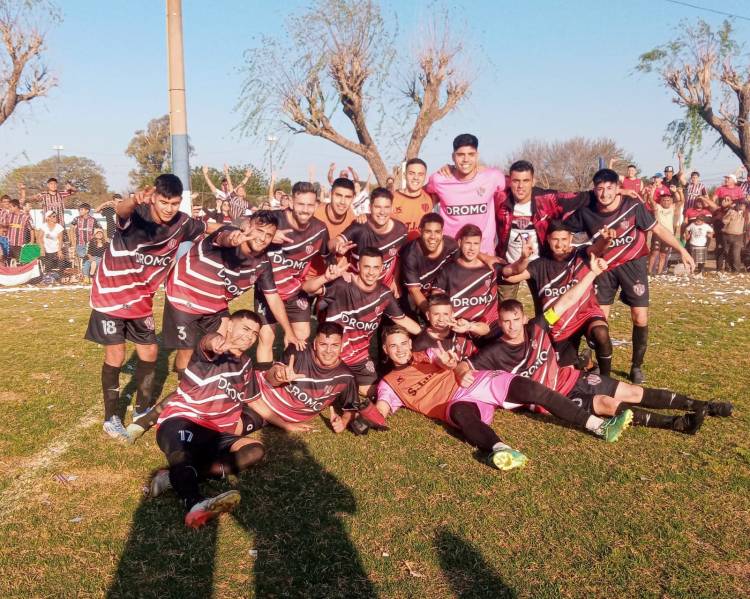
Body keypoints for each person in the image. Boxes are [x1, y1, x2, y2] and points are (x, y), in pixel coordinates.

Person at [375, 325, 633, 471]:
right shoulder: (388, 383)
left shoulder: (427, 354)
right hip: (455, 402)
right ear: (385, 350)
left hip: (477, 381)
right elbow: (381, 409)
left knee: (534, 391)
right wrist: (366, 416)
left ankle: (600, 426)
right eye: (393, 346)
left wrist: (449, 363)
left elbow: (446, 360)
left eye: (403, 343)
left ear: (410, 344)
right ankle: (501, 450)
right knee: (462, 415)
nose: (400, 350)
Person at [457, 297, 729, 435]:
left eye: (515, 319)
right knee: (607, 404)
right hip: (555, 398)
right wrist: (461, 372)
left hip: (573, 377)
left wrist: (590, 273)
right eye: (506, 321)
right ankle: (678, 424)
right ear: (499, 323)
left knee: (633, 391)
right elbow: (465, 365)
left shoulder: (536, 327)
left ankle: (703, 405)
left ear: (524, 317)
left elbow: (563, 303)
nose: (511, 326)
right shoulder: (494, 352)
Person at [85, 174, 209, 441]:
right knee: (116, 354)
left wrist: (236, 231)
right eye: (164, 202)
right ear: (153, 198)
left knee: (150, 352)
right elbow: (120, 210)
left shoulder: (182, 223)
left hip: (141, 299)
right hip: (111, 294)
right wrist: (133, 199)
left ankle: (141, 409)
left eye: (174, 203)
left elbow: (208, 227)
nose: (169, 208)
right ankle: (111, 417)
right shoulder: (137, 214)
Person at [566, 169, 695, 384]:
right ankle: (596, 362)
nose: (604, 194)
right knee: (599, 319)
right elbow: (563, 230)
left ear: (618, 188)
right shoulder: (586, 211)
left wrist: (682, 250)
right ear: (594, 190)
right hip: (603, 267)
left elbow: (658, 229)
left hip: (633, 265)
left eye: (609, 188)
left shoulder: (632, 206)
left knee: (640, 317)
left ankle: (636, 366)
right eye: (599, 189)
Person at [150, 310, 266, 528]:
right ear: (229, 325)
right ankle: (195, 504)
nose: (249, 336)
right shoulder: (211, 351)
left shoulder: (246, 364)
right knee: (181, 453)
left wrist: (287, 423)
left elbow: (254, 400)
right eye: (245, 329)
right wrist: (216, 341)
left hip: (215, 432)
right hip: (183, 419)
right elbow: (207, 343)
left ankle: (173, 478)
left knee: (255, 450)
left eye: (255, 333)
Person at [164, 211, 303, 376]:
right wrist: (233, 239)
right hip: (183, 296)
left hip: (215, 304)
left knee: (223, 343)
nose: (262, 238)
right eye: (259, 231)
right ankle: (184, 383)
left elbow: (273, 298)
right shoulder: (227, 234)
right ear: (248, 226)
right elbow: (225, 237)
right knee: (186, 350)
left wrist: (288, 331)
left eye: (268, 235)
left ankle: (212, 378)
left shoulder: (263, 263)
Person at [305, 247, 422, 399]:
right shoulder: (342, 284)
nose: (371, 272)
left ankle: (341, 382)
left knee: (372, 391)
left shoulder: (384, 294)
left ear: (382, 269)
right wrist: (325, 277)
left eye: (376, 267)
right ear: (359, 266)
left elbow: (402, 319)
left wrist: (429, 334)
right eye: (367, 266)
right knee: (315, 391)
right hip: (332, 353)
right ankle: (333, 380)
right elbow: (307, 288)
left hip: (359, 357)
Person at [503, 220, 615, 375]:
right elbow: (510, 278)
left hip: (585, 314)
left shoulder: (582, 254)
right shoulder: (539, 264)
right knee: (564, 373)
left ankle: (606, 378)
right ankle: (583, 362)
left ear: (571, 238)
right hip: (558, 323)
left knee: (601, 332)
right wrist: (523, 259)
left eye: (564, 239)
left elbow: (598, 248)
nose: (560, 244)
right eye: (555, 239)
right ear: (548, 239)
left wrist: (606, 240)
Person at [254, 181, 330, 365]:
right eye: (301, 204)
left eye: (310, 205)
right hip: (267, 290)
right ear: (291, 202)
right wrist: (268, 234)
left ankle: (288, 373)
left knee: (302, 335)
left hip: (295, 291)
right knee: (267, 336)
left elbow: (328, 257)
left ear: (316, 205)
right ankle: (264, 377)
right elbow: (242, 225)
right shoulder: (274, 218)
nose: (305, 209)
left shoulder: (320, 229)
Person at [493, 160, 590, 300]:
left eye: (526, 181)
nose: (520, 186)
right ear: (510, 181)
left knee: (545, 306)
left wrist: (617, 191)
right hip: (509, 263)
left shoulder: (548, 199)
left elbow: (583, 197)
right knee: (507, 309)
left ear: (533, 181)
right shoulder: (499, 199)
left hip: (539, 264)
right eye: (516, 181)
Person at [432, 224, 528, 342]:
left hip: (490, 331)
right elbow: (436, 298)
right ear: (460, 243)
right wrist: (446, 318)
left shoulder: (490, 267)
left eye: (476, 244)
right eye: (468, 243)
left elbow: (514, 270)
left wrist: (524, 258)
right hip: (459, 331)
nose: (472, 248)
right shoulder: (448, 270)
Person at [425, 133, 505, 254]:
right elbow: (421, 196)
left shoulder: (493, 177)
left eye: (471, 154)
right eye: (460, 155)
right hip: (450, 254)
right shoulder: (439, 180)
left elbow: (516, 188)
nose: (466, 159)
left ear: (477, 156)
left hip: (484, 255)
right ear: (453, 157)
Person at [335, 187, 408, 297]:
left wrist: (395, 280)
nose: (382, 212)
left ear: (392, 208)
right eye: (377, 207)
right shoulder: (359, 227)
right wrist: (336, 246)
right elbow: (334, 243)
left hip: (385, 288)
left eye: (386, 207)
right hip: (356, 288)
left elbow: (398, 258)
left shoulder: (401, 230)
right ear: (370, 208)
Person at [400, 213, 458, 315]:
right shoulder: (410, 254)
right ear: (420, 231)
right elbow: (414, 291)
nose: (433, 237)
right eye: (428, 232)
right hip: (413, 296)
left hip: (437, 293)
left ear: (442, 232)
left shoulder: (451, 246)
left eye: (437, 232)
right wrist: (431, 314)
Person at [411, 293, 483, 360]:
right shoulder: (421, 344)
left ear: (452, 314)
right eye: (436, 314)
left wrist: (470, 327)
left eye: (445, 314)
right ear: (428, 315)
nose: (441, 319)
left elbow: (485, 330)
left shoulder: (461, 325)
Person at [309, 177, 356, 280]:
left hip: (341, 275)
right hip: (314, 276)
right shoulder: (315, 214)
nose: (342, 202)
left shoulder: (353, 218)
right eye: (338, 195)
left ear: (353, 198)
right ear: (330, 194)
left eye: (348, 197)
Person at [391, 158, 432, 240]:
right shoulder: (391, 198)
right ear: (404, 175)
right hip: (397, 246)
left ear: (425, 177)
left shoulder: (430, 197)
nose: (416, 177)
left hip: (419, 246)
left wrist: (450, 168)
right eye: (411, 173)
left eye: (420, 174)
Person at [648, 192, 678, 276]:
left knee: (663, 255)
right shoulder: (658, 207)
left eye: (668, 200)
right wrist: (650, 193)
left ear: (671, 201)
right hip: (658, 233)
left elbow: (681, 201)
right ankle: (649, 272)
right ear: (661, 201)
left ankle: (659, 273)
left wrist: (676, 192)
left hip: (668, 234)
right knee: (654, 253)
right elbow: (651, 201)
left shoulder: (672, 207)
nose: (666, 202)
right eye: (664, 200)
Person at [69, 203, 101, 273]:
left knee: (89, 257)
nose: (80, 211)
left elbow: (100, 230)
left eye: (81, 210)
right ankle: (87, 269)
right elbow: (71, 229)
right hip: (80, 244)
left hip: (90, 245)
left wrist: (97, 240)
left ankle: (86, 272)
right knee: (83, 255)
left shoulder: (93, 220)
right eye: (79, 210)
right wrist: (72, 241)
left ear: (87, 211)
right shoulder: (76, 219)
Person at [719, 197, 746, 272]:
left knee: (736, 254)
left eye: (743, 204)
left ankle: (736, 270)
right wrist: (730, 214)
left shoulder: (746, 214)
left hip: (738, 236)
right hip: (727, 235)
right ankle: (728, 268)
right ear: (736, 205)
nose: (742, 206)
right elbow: (724, 221)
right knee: (727, 253)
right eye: (740, 204)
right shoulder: (731, 211)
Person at [4, 199, 32, 263]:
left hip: (18, 244)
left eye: (10, 207)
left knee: (20, 262)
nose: (9, 209)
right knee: (8, 262)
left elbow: (31, 229)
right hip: (8, 243)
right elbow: (4, 225)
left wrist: (31, 241)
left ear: (16, 207)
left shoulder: (25, 216)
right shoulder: (9, 215)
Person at [36, 211, 64, 275]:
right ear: (48, 218)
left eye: (56, 216)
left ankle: (59, 276)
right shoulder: (44, 226)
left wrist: (59, 250)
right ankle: (48, 276)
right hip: (47, 250)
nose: (55, 217)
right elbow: (39, 238)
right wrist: (42, 248)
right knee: (48, 266)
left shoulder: (59, 227)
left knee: (61, 263)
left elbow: (60, 240)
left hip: (56, 249)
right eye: (53, 216)